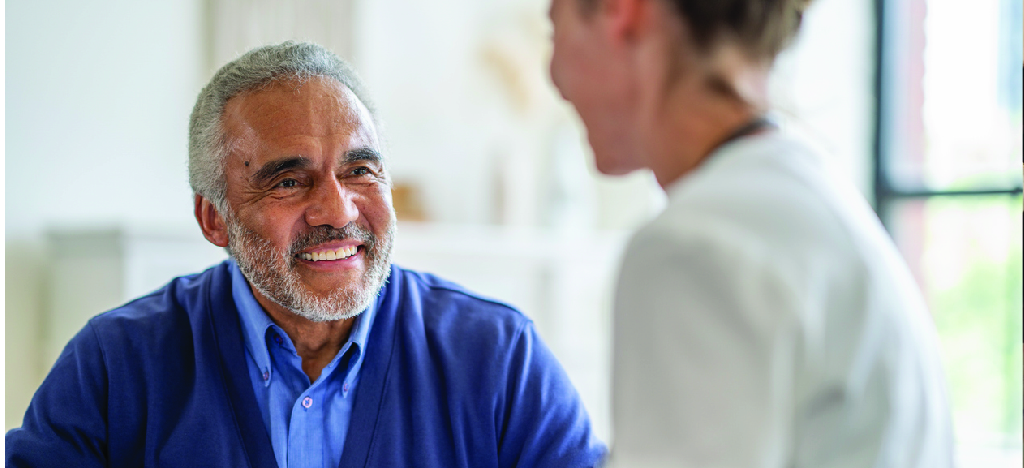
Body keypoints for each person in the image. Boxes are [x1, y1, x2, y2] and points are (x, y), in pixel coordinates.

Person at [6, 42, 606, 468]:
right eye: (289, 182)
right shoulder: (116, 364)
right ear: (214, 219)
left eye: (361, 170)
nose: (339, 211)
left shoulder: (499, 356)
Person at [548, 0, 955, 466]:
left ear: (623, 13)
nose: (554, 76)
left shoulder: (697, 246)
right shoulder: (801, 200)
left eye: (552, 27)